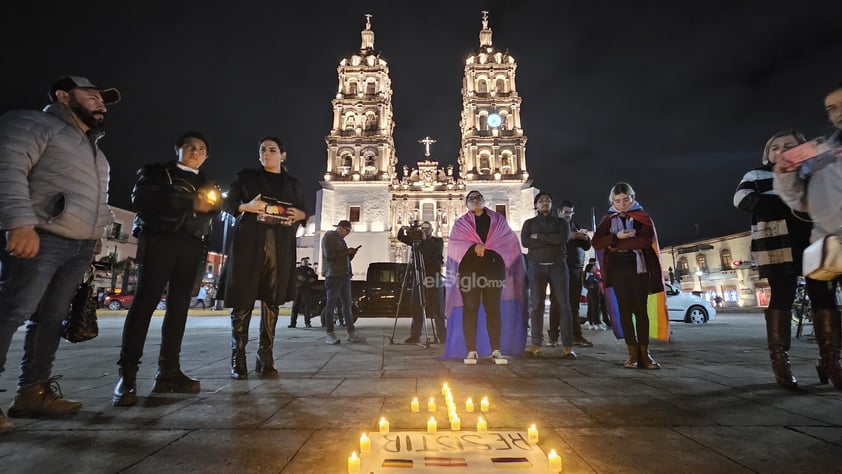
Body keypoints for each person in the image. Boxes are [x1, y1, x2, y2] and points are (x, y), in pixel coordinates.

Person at [0, 76, 119, 429]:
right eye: (92, 95)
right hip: (40, 236)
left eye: (103, 100)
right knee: (11, 312)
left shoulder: (94, 150)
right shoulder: (35, 123)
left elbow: (99, 199)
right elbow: (8, 170)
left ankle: (33, 392)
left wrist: (97, 233)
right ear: (63, 96)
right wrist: (20, 222)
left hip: (78, 246)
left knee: (50, 319)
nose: (100, 103)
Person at [112, 131, 221, 407]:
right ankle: (127, 376)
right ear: (178, 149)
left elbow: (216, 208)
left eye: (201, 148)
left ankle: (169, 371)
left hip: (191, 246)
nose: (195, 151)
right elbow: (143, 199)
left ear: (206, 156)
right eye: (190, 147)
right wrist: (190, 202)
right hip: (161, 242)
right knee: (144, 303)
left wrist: (208, 205)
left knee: (178, 308)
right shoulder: (158, 173)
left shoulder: (207, 181)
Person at [774, 82, 842, 389]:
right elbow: (798, 199)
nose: (837, 112)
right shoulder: (821, 153)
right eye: (832, 108)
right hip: (828, 240)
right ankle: (830, 360)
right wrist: (785, 174)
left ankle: (829, 361)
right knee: (822, 299)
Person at [223, 136, 307, 379]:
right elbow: (229, 202)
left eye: (272, 149)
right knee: (243, 300)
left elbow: (302, 210)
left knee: (272, 301)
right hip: (250, 243)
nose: (267, 153)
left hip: (279, 245)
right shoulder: (246, 177)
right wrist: (245, 207)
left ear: (283, 155)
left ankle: (265, 354)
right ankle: (238, 357)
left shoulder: (292, 183)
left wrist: (301, 214)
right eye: (263, 149)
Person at [443, 190, 527, 364]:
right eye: (471, 199)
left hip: (493, 269)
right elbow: (454, 245)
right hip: (469, 270)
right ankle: (471, 350)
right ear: (466, 203)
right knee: (470, 307)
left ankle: (496, 349)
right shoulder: (460, 224)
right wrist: (473, 247)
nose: (475, 201)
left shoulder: (497, 220)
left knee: (493, 307)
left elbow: (508, 240)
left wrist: (489, 248)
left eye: (478, 198)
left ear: (483, 200)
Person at [592, 182, 668, 369]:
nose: (622, 204)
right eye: (618, 201)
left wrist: (615, 244)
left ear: (632, 198)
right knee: (625, 310)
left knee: (640, 310)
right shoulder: (608, 219)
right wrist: (618, 237)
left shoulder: (642, 217)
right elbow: (597, 242)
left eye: (626, 200)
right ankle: (632, 352)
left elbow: (645, 240)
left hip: (639, 267)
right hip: (618, 268)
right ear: (612, 201)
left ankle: (645, 353)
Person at [521, 192, 576, 359]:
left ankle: (568, 345)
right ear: (536, 205)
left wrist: (539, 237)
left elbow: (563, 238)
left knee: (564, 305)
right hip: (537, 267)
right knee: (536, 305)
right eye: (541, 200)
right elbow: (525, 242)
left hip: (558, 266)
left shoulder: (561, 222)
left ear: (552, 204)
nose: (544, 203)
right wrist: (551, 239)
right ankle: (536, 343)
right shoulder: (529, 223)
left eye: (548, 200)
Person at [397, 221, 446, 344]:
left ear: (432, 229)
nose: (424, 230)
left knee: (438, 307)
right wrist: (403, 229)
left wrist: (424, 240)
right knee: (416, 306)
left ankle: (442, 336)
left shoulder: (437, 241)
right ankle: (415, 335)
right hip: (419, 276)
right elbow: (401, 238)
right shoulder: (416, 242)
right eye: (422, 228)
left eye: (427, 228)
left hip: (433, 277)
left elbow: (431, 254)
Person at [321, 220, 367, 345]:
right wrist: (347, 252)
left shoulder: (340, 239)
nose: (348, 233)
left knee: (347, 304)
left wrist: (351, 254)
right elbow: (329, 255)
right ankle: (329, 333)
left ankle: (351, 332)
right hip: (334, 275)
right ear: (340, 228)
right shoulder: (330, 236)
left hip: (344, 275)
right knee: (331, 304)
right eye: (347, 230)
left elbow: (342, 257)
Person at [558, 200, 594, 346]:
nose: (568, 215)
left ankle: (576, 335)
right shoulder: (556, 225)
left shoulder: (576, 226)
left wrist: (585, 238)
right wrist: (570, 236)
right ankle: (559, 335)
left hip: (577, 269)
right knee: (561, 304)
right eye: (566, 212)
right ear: (560, 212)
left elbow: (586, 247)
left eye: (570, 212)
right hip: (561, 268)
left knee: (574, 304)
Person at [289, 257, 318, 328]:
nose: (305, 262)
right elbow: (294, 277)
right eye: (304, 261)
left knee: (307, 307)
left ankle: (307, 323)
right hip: (298, 289)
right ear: (301, 262)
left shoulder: (310, 270)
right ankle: (293, 323)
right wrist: (303, 279)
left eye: (306, 261)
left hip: (307, 290)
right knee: (295, 306)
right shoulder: (297, 270)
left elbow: (314, 277)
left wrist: (311, 280)